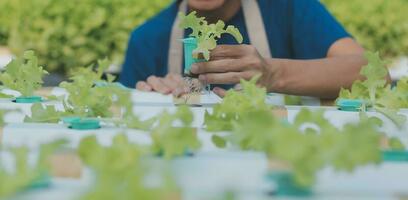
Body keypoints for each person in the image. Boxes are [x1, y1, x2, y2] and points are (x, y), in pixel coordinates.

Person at [119, 0, 383, 99]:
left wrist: (274, 74)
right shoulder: (147, 38)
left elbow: (376, 73)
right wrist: (154, 96)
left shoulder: (289, 8)